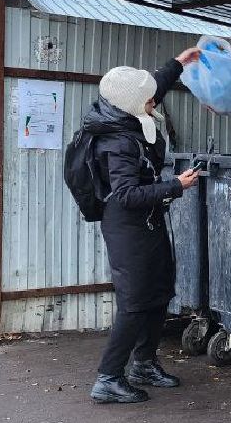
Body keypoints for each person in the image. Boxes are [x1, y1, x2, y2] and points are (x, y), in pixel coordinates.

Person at [84, 48, 201, 404]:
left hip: (148, 221)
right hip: (127, 227)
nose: (154, 101)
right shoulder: (117, 141)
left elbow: (152, 88)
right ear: (135, 104)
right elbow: (125, 195)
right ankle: (108, 379)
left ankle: (144, 365)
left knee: (159, 293)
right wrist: (175, 186)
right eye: (149, 99)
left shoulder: (128, 111)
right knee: (135, 302)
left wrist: (179, 63)